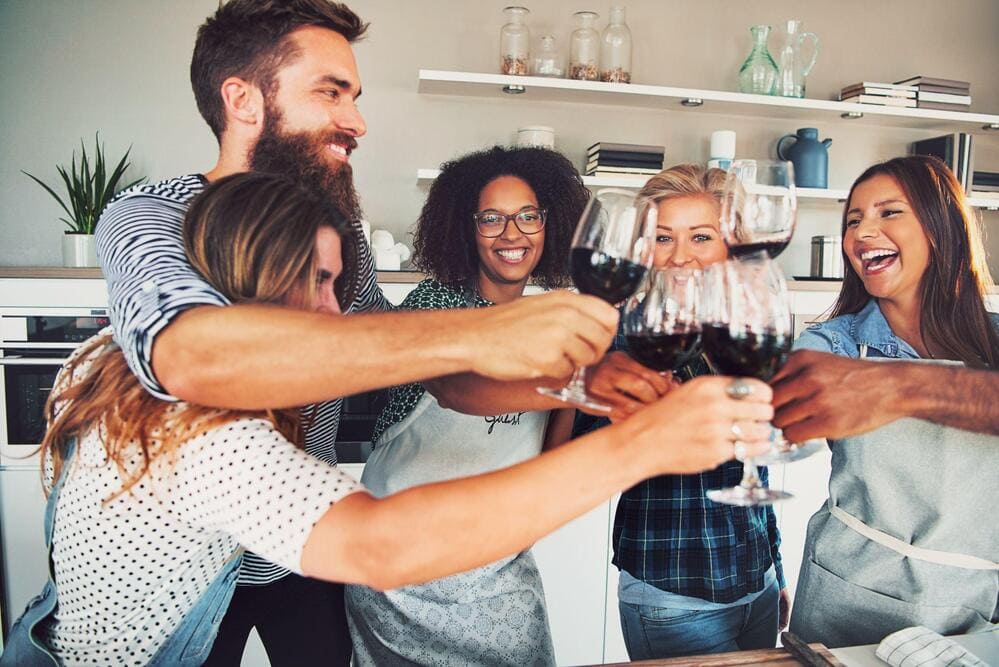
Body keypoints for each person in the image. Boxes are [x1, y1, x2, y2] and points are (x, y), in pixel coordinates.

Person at [0, 171, 777, 667]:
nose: (339, 315)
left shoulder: (110, 359)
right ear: (257, 274)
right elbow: (381, 541)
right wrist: (642, 440)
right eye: (321, 281)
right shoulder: (208, 435)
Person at [89, 1, 625, 663]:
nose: (357, 121)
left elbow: (407, 361)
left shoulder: (335, 231)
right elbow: (190, 353)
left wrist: (579, 382)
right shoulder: (152, 214)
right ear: (242, 98)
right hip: (191, 574)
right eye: (330, 93)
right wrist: (483, 333)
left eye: (355, 96)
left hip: (306, 547)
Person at [345, 146, 590, 666]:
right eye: (492, 219)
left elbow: (550, 460)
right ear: (466, 228)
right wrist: (578, 381)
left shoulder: (550, 318)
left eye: (527, 216)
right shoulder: (434, 303)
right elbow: (459, 391)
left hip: (496, 563)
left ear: (550, 224)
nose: (512, 234)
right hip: (400, 562)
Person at [779, 155, 999, 647]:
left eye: (888, 213)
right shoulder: (831, 345)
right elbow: (784, 429)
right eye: (853, 220)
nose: (862, 232)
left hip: (976, 609)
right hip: (847, 603)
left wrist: (903, 386)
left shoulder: (996, 342)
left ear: (942, 228)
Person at [574, 164, 790, 660]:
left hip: (755, 586)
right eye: (663, 238)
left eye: (700, 237)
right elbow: (577, 447)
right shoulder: (620, 333)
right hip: (673, 596)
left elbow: (756, 467)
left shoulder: (742, 332)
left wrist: (776, 570)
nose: (680, 258)